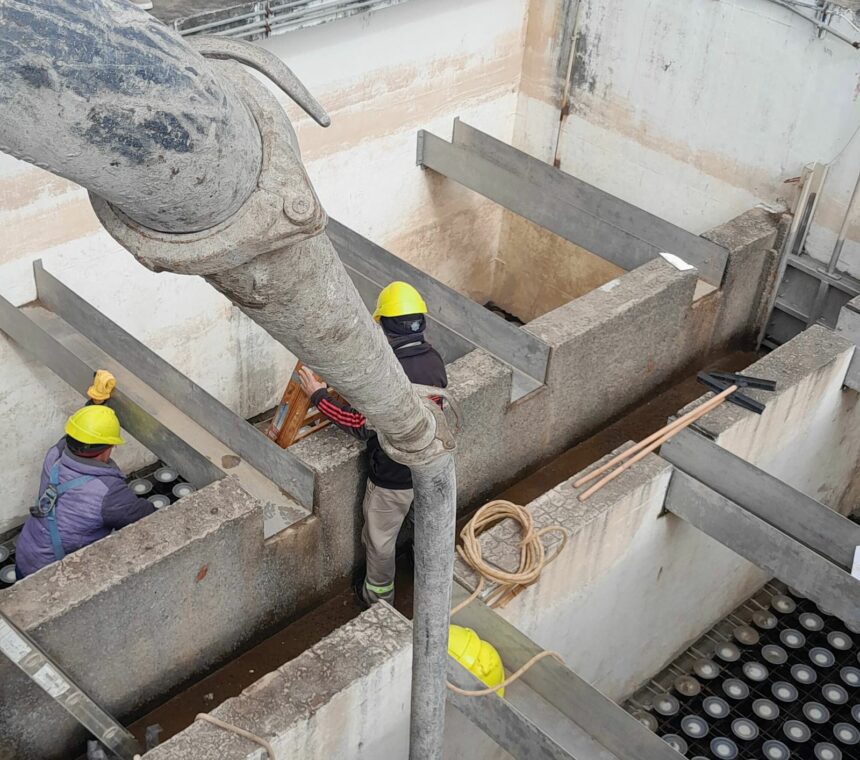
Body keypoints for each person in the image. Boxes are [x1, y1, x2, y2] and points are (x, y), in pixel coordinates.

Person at [299, 281, 447, 607]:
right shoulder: (434, 360)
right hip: (430, 470)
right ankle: (433, 586)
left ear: (386, 327)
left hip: (393, 478)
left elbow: (359, 426)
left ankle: (378, 599)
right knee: (428, 529)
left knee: (380, 542)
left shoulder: (389, 374)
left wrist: (318, 396)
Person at [15, 397, 156, 579]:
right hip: (49, 576)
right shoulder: (109, 491)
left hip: (25, 555)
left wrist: (94, 405)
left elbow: (74, 436)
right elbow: (145, 517)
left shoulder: (55, 455)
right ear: (109, 448)